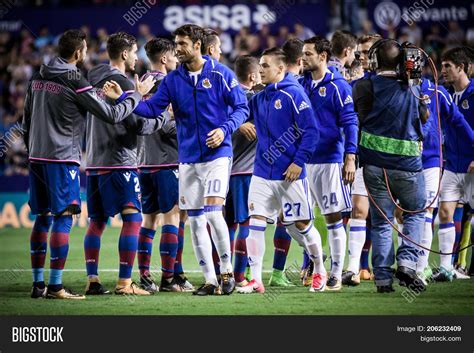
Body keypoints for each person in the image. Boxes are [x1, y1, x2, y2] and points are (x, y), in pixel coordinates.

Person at [105, 24, 249, 296]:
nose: (178, 48)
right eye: (176, 43)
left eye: (182, 43)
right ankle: (209, 280)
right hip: (188, 159)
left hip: (218, 155)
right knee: (194, 220)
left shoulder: (220, 73)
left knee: (213, 212)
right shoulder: (173, 80)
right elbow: (151, 109)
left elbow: (242, 107)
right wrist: (125, 96)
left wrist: (224, 129)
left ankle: (226, 272)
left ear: (197, 45)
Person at [22, 29, 154, 299]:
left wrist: (32, 150)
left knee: (45, 218)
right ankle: (57, 286)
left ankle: (39, 284)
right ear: (79, 53)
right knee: (66, 218)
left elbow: (25, 121)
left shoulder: (37, 76)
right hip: (66, 158)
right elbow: (112, 114)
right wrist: (136, 96)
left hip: (38, 157)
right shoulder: (76, 80)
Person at [84, 32, 168, 296]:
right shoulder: (124, 83)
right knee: (133, 219)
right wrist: (164, 117)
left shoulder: (93, 78)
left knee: (96, 222)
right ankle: (124, 283)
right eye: (134, 53)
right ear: (124, 54)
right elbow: (138, 126)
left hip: (94, 161)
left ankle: (93, 280)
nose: (137, 58)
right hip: (119, 160)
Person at [236, 47, 326, 294]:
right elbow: (240, 111)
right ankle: (256, 279)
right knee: (255, 224)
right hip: (262, 173)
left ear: (280, 68)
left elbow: (311, 132)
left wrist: (298, 162)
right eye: (259, 66)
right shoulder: (260, 97)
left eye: (265, 65)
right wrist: (242, 121)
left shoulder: (294, 95)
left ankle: (319, 269)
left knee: (302, 226)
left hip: (290, 174)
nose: (260, 70)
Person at [353, 39, 429, 293]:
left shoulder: (363, 85)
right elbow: (424, 117)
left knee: (382, 221)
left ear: (374, 61)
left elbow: (361, 117)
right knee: (415, 213)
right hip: (408, 165)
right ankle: (407, 263)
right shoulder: (413, 87)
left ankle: (383, 280)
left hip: (374, 166)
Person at [300, 36, 358, 291]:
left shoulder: (338, 85)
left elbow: (350, 122)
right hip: (302, 162)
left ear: (322, 57)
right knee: (293, 219)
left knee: (333, 218)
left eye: (308, 54)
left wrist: (350, 158)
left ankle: (334, 274)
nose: (303, 58)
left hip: (330, 161)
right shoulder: (300, 85)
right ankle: (316, 261)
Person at [136, 37, 194, 293]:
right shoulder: (168, 85)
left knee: (149, 220)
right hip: (168, 161)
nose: (177, 58)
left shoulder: (138, 85)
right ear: (163, 59)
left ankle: (149, 277)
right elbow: (169, 125)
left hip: (143, 162)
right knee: (174, 215)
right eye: (174, 55)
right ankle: (169, 279)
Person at [343, 33, 381, 286]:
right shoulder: (359, 85)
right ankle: (352, 268)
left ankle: (398, 268)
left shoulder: (401, 84)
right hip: (363, 156)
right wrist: (351, 154)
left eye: (366, 52)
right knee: (358, 210)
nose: (361, 57)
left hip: (393, 160)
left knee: (389, 215)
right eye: (358, 53)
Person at [433, 47, 474, 281]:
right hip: (452, 165)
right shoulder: (444, 95)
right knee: (446, 212)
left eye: (448, 66)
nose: (443, 70)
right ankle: (447, 268)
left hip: (472, 165)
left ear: (462, 67)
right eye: (442, 65)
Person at [229, 55, 260, 287]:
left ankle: (226, 273)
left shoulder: (225, 98)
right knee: (247, 225)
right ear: (253, 76)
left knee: (226, 225)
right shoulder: (253, 99)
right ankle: (239, 277)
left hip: (223, 170)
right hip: (245, 172)